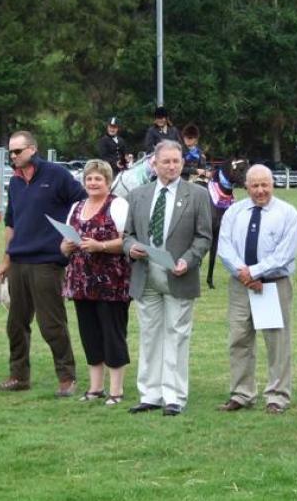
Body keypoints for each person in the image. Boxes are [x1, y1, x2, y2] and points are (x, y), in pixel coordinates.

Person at [123, 140, 212, 416]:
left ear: (183, 163)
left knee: (176, 334)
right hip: (146, 274)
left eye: (176, 161)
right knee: (149, 336)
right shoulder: (138, 195)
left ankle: (174, 396)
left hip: (178, 275)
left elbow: (204, 236)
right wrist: (131, 248)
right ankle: (150, 394)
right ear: (154, 163)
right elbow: (127, 235)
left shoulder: (197, 195)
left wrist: (189, 259)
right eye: (166, 161)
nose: (172, 166)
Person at [0, 130, 87, 396]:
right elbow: (11, 222)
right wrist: (6, 258)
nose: (13, 156)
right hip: (19, 261)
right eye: (10, 152)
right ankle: (18, 375)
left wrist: (68, 236)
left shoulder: (56, 175)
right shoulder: (13, 182)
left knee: (51, 323)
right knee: (16, 324)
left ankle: (67, 377)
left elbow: (81, 204)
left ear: (33, 149)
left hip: (48, 261)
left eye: (17, 151)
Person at [216, 165, 297, 415]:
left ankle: (277, 396)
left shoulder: (287, 213)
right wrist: (244, 274)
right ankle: (242, 393)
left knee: (277, 342)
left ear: (272, 184)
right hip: (241, 285)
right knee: (239, 338)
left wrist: (255, 272)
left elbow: (285, 253)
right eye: (255, 185)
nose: (261, 190)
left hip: (273, 284)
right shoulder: (234, 212)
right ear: (246, 186)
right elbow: (225, 247)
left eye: (265, 184)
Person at [60, 159, 132, 406]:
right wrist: (67, 246)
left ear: (108, 182)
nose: (92, 183)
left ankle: (116, 390)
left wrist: (100, 246)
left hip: (111, 283)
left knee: (112, 334)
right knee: (89, 334)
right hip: (81, 283)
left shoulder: (118, 205)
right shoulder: (77, 207)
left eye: (98, 179)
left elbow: (126, 241)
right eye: (89, 178)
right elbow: (63, 246)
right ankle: (95, 387)